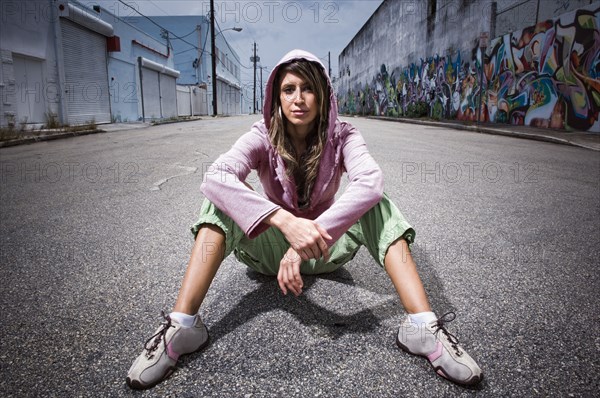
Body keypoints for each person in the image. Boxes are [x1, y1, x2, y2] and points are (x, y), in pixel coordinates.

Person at [126, 50, 483, 389]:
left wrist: (303, 244)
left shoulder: (343, 135)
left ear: (323, 94)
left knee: (378, 202)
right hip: (267, 256)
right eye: (289, 89)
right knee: (219, 203)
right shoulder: (261, 135)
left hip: (325, 252)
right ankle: (182, 326)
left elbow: (370, 182)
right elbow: (215, 176)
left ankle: (423, 326)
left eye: (308, 88)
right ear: (276, 97)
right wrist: (283, 221)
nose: (299, 98)